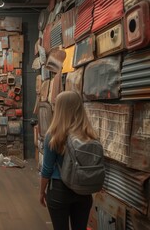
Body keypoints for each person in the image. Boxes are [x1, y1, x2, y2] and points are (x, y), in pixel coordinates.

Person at [39, 91, 97, 230]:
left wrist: (42, 192)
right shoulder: (89, 133)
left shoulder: (53, 135)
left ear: (59, 109)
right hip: (83, 190)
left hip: (60, 189)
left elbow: (47, 169)